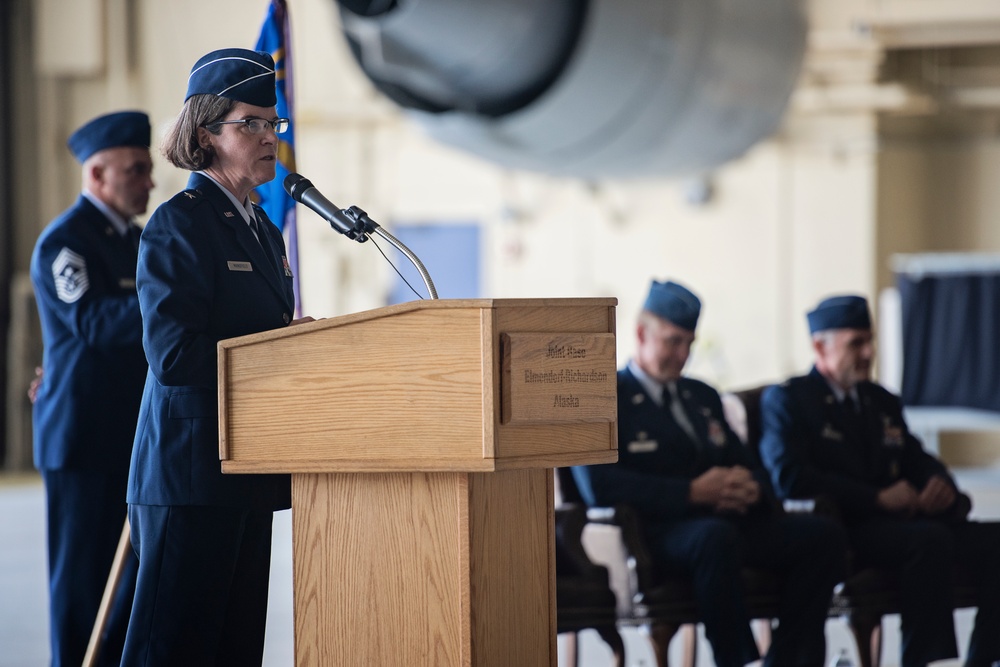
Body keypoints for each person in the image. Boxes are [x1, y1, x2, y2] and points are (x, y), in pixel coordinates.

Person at [122, 48, 311, 665]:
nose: (268, 138)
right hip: (190, 475)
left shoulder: (263, 228)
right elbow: (174, 356)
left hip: (246, 472)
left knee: (233, 651)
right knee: (171, 650)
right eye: (250, 123)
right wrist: (279, 353)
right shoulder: (181, 224)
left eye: (272, 123)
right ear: (205, 133)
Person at [572, 279, 847, 667]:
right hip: (659, 533)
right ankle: (736, 660)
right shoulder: (604, 395)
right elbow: (598, 485)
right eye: (672, 341)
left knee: (823, 536)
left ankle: (787, 659)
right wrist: (691, 493)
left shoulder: (701, 396)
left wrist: (750, 488)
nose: (682, 354)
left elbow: (751, 464)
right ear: (640, 334)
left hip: (728, 523)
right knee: (714, 538)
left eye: (689, 343)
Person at [759, 294, 1000, 667]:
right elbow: (790, 477)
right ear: (819, 346)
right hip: (848, 525)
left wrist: (940, 484)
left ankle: (985, 659)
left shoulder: (880, 401)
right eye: (856, 343)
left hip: (901, 521)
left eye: (869, 341)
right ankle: (922, 660)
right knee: (928, 541)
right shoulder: (790, 400)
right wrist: (876, 498)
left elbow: (914, 458)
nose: (869, 353)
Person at [29, 110, 153, 667]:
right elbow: (95, 323)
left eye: (148, 169)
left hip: (126, 434)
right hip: (81, 439)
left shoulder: (138, 240)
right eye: (136, 170)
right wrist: (171, 303)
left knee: (124, 584)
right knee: (81, 588)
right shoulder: (66, 243)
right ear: (98, 175)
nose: (149, 181)